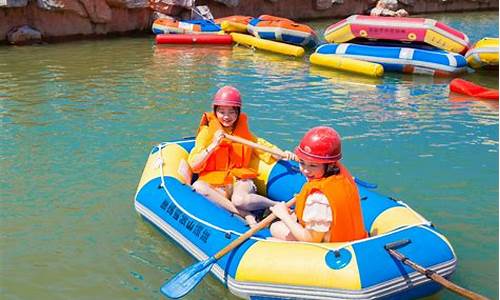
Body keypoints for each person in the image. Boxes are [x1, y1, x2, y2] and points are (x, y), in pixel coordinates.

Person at [188, 85, 294, 227]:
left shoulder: (244, 134)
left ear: (238, 113)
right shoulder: (206, 134)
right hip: (217, 185)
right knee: (198, 186)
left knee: (239, 200)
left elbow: (263, 147)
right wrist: (213, 145)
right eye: (222, 112)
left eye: (232, 112)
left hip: (240, 181)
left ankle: (276, 205)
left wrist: (283, 154)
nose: (226, 117)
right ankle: (246, 214)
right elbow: (194, 165)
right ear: (215, 111)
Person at [269, 126, 368, 243]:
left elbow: (311, 239)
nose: (305, 170)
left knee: (275, 228)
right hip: (351, 238)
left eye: (313, 165)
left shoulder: (318, 198)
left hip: (330, 248)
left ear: (329, 165)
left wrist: (283, 215)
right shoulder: (340, 175)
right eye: (302, 162)